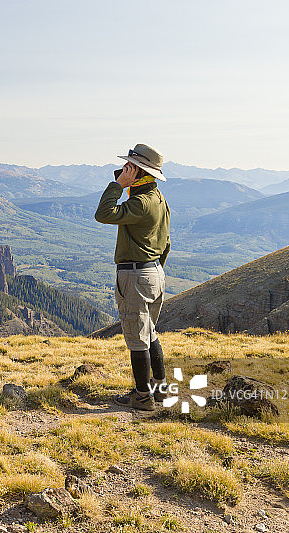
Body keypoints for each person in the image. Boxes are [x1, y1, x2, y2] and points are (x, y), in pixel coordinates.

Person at [94, 144, 171, 411]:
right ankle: (159, 389)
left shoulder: (140, 203)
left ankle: (142, 397)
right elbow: (166, 242)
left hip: (136, 274)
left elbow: (103, 214)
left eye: (130, 167)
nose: (124, 169)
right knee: (149, 333)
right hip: (154, 272)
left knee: (137, 339)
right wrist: (153, 270)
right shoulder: (158, 198)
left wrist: (118, 185)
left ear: (139, 172)